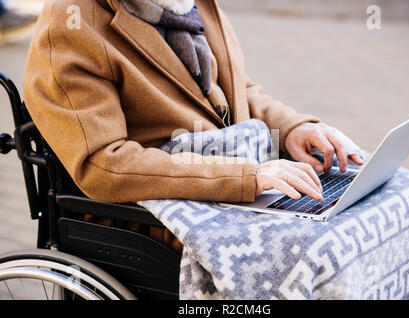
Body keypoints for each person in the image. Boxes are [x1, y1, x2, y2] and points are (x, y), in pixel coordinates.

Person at [23, 0, 364, 251]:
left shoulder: (190, 5)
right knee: (318, 246)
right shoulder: (70, 23)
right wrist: (243, 176)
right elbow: (103, 163)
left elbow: (234, 88)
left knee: (362, 211)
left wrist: (291, 128)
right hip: (145, 215)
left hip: (227, 187)